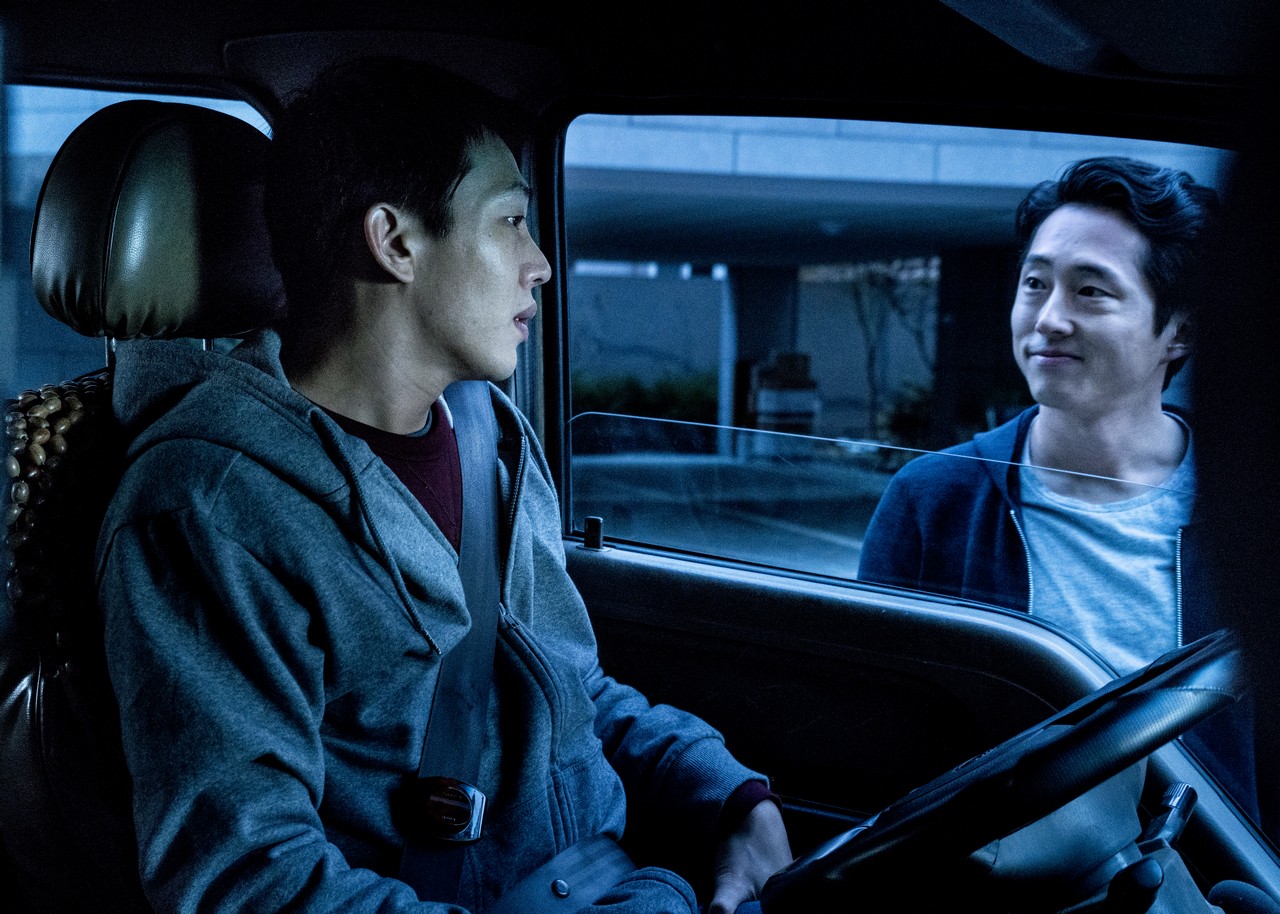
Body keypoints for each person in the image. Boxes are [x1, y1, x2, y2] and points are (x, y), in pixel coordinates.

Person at [96, 57, 791, 913]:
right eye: (511, 222)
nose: (540, 264)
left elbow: (560, 689)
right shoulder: (211, 503)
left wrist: (731, 798)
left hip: (610, 876)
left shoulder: (487, 434)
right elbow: (248, 880)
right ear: (395, 242)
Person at [855, 156, 1264, 815]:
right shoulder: (934, 499)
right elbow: (878, 732)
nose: (1047, 317)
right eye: (1034, 284)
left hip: (1211, 865)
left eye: (1090, 291)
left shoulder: (1248, 511)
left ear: (1180, 330)